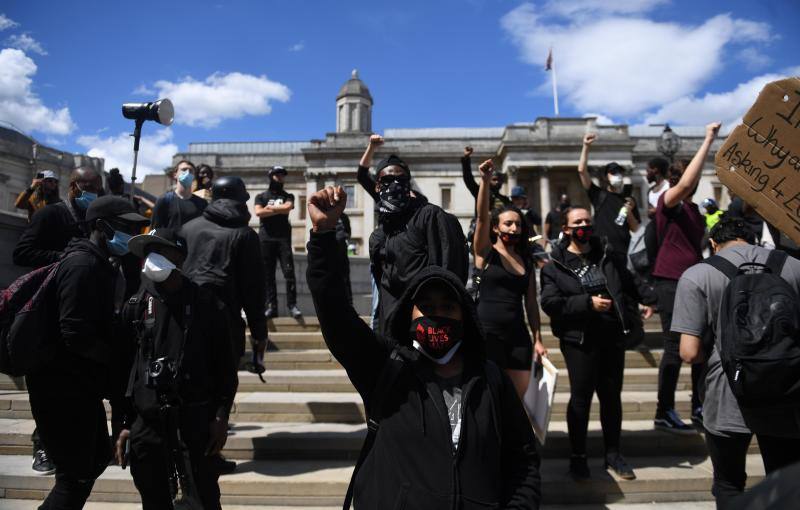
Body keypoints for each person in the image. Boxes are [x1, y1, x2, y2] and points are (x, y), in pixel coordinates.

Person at [306, 185, 542, 509]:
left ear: (464, 317)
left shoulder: (491, 379)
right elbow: (335, 314)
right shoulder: (386, 368)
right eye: (427, 307)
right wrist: (323, 235)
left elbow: (523, 461)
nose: (437, 315)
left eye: (447, 307)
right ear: (409, 314)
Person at [26, 196, 148, 509]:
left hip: (79, 385)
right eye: (125, 227)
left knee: (94, 460)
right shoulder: (82, 265)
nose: (131, 234)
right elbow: (75, 333)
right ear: (101, 226)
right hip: (61, 387)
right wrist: (115, 362)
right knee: (75, 476)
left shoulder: (99, 263)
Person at [674, 216, 800, 508]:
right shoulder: (793, 266)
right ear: (753, 240)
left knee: (729, 483)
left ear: (714, 243)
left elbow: (689, 352)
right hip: (786, 390)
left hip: (727, 393)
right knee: (785, 484)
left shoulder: (697, 275)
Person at [115, 228, 237, 510]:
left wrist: (221, 415)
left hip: (195, 422)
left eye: (158, 251)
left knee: (205, 499)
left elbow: (225, 369)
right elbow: (121, 370)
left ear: (179, 257)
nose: (151, 258)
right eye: (148, 253)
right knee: (153, 499)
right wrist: (122, 423)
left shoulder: (207, 304)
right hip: (148, 425)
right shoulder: (135, 306)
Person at [541, 206, 655, 481]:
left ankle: (613, 454)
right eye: (577, 222)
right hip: (579, 341)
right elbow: (550, 303)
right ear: (566, 229)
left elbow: (630, 284)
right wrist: (587, 303)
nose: (584, 226)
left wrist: (653, 300)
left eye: (587, 221)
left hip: (612, 337)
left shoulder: (607, 256)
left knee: (611, 397)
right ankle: (578, 456)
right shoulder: (555, 266)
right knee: (581, 399)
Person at [180, 176, 268, 474]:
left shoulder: (188, 228)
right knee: (222, 386)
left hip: (184, 320)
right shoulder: (245, 235)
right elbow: (254, 291)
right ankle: (210, 451)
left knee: (190, 385)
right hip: (225, 322)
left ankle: (190, 451)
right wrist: (259, 332)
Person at [651, 122, 720, 434]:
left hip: (695, 282)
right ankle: (664, 410)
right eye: (681, 178)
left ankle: (699, 406)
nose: (688, 183)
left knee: (701, 346)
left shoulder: (694, 211)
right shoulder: (667, 204)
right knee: (673, 347)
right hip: (670, 281)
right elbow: (688, 181)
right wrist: (708, 139)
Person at [360, 138, 468, 334]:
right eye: (387, 181)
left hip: (427, 331)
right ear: (377, 187)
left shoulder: (431, 216)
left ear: (409, 185)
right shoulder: (377, 237)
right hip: (391, 333)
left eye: (401, 180)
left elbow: (450, 274)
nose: (394, 185)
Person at [473, 159, 547, 399]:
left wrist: (537, 339)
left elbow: (531, 304)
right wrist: (485, 181)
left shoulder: (526, 260)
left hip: (518, 337)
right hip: (487, 334)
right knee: (489, 398)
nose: (514, 228)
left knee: (516, 400)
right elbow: (482, 218)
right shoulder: (485, 253)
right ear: (496, 228)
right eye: (508, 224)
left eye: (517, 224)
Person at [13, 167, 102, 269]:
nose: (94, 194)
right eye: (49, 181)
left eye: (54, 181)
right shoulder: (45, 209)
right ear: (73, 186)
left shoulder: (93, 219)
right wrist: (63, 256)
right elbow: (21, 253)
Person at [254, 166, 302, 319]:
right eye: (277, 175)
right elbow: (258, 212)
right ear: (271, 176)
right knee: (268, 275)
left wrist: (270, 208)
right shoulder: (261, 196)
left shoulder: (288, 195)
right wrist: (278, 209)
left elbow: (288, 207)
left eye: (282, 175)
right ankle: (271, 307)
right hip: (266, 239)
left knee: (289, 272)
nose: (281, 178)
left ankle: (292, 305)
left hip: (283, 239)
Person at [577, 133, 633, 261]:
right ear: (605, 177)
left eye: (619, 172)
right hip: (603, 253)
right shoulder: (598, 195)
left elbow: (635, 227)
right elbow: (581, 171)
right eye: (613, 172)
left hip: (625, 252)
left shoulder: (628, 199)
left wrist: (629, 211)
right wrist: (586, 146)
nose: (617, 175)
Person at [151, 160, 208, 230]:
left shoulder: (202, 203)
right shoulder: (164, 200)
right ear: (175, 175)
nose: (187, 173)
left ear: (194, 176)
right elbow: (154, 230)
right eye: (184, 169)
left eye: (191, 171)